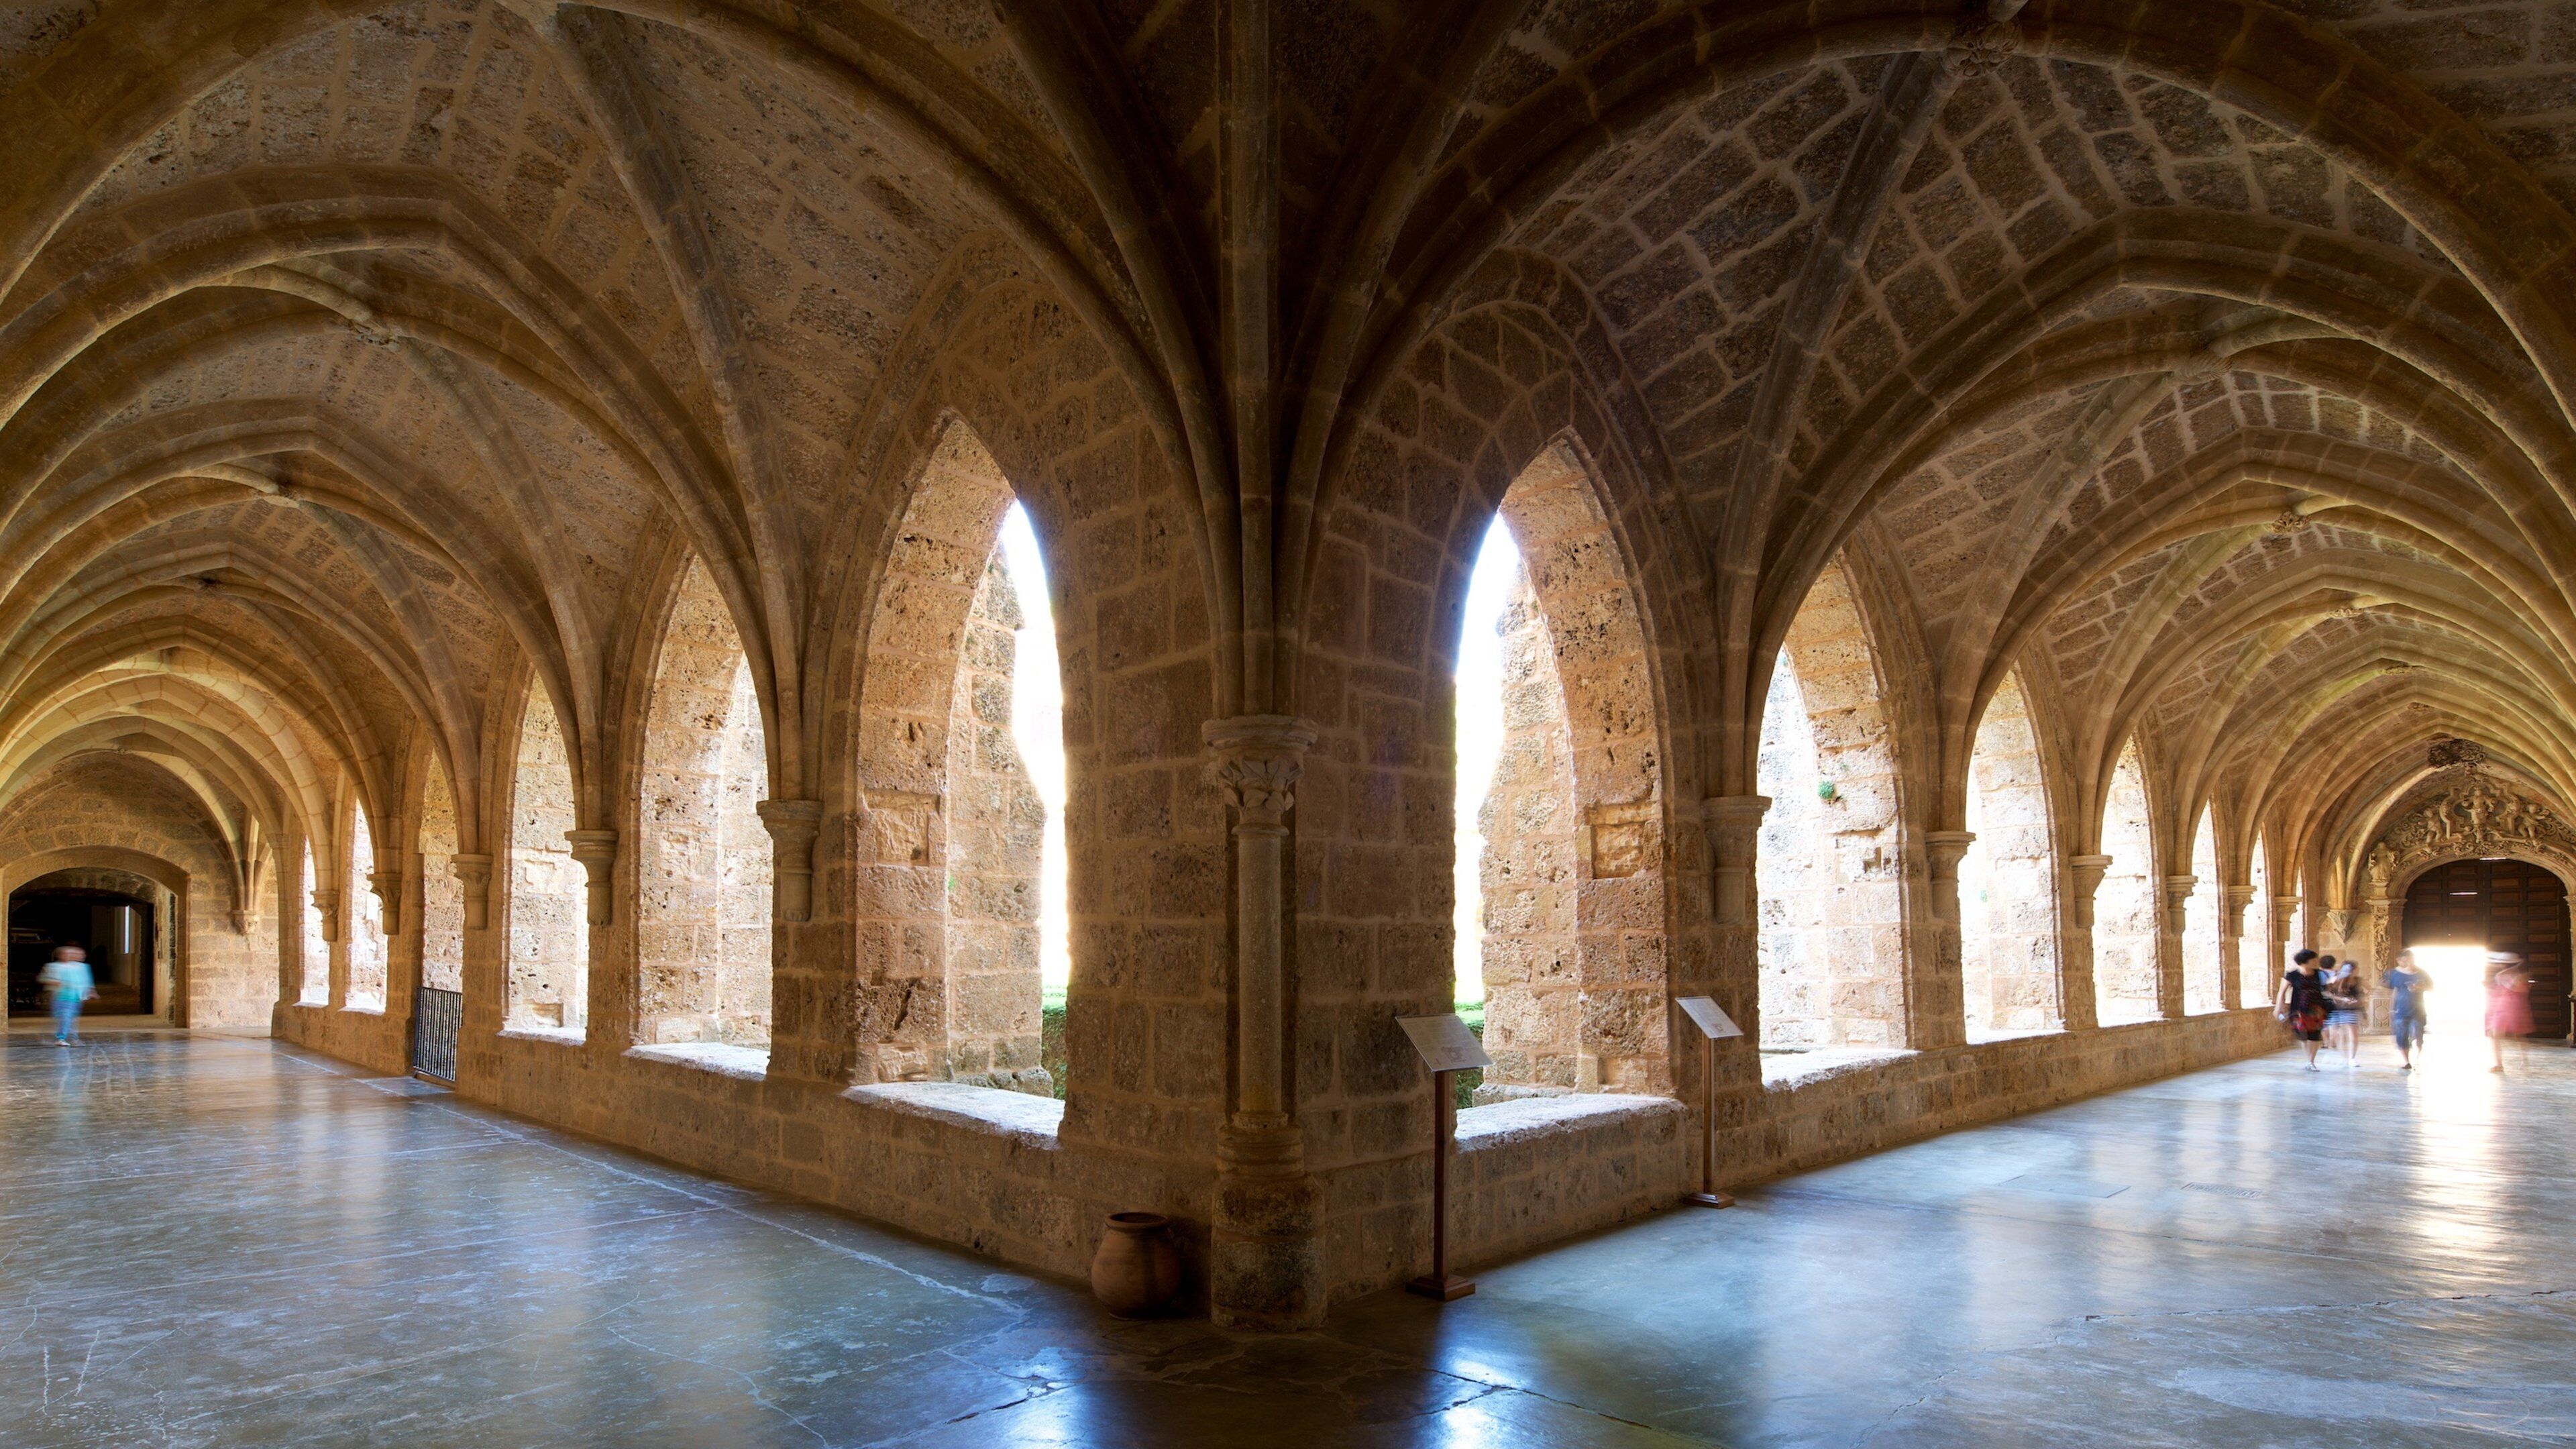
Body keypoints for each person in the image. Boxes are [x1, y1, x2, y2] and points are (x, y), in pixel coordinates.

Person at [2276, 949, 2329, 1070]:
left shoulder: (2319, 974)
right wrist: (2279, 1007)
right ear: (2305, 962)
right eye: (2313, 960)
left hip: (2317, 1009)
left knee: (2314, 1036)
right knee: (2302, 1036)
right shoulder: (2292, 975)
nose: (2316, 962)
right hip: (2298, 1011)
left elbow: (2326, 989)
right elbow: (2282, 992)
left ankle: (2311, 1061)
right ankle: (2308, 1060)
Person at [2484, 952, 2534, 1074]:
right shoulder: (2502, 976)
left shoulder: (2517, 977)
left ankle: (2523, 1059)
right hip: (2503, 1008)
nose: (2501, 966)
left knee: (2518, 1035)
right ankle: (2499, 1064)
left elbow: (2521, 990)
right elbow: (2497, 992)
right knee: (2497, 1035)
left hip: (2514, 1008)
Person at [37, 944, 95, 1046]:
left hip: (75, 998)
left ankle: (72, 1038)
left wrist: (88, 991)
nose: (69, 956)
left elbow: (82, 981)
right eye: (66, 954)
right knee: (65, 1018)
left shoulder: (77, 967)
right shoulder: (53, 967)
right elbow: (42, 979)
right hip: (61, 997)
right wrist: (54, 982)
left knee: (71, 1020)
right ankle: (61, 1038)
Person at [2383, 949, 2430, 1071]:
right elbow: (2395, 991)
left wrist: (2420, 987)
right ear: (2400, 960)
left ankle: (2417, 1059)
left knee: (2418, 1036)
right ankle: (2406, 1061)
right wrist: (2391, 1009)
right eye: (2406, 960)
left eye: (2411, 959)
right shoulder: (2394, 974)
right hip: (2401, 1009)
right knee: (2401, 1036)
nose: (2409, 962)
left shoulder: (2422, 973)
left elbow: (2431, 987)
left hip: (2418, 1009)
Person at [2322, 956, 2364, 1067]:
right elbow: (2326, 993)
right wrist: (2342, 999)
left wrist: (2361, 1000)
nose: (2356, 971)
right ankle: (2344, 1056)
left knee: (2352, 1034)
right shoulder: (2337, 980)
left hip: (2351, 1010)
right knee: (2338, 1035)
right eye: (2354, 969)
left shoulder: (2358, 980)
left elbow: (2368, 990)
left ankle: (2351, 1058)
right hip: (2337, 1010)